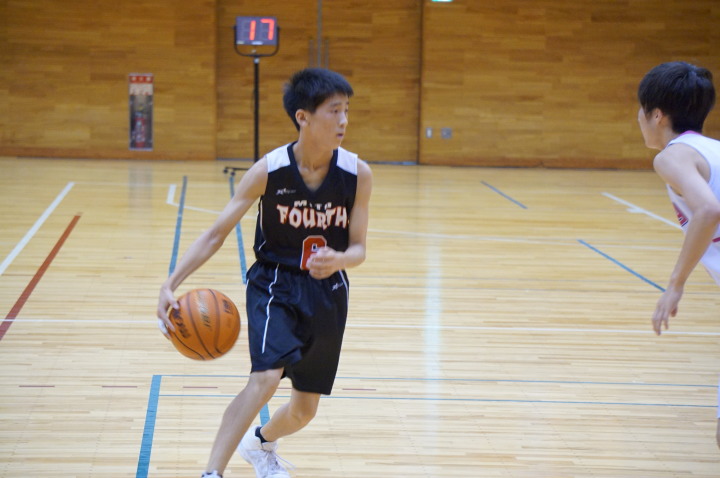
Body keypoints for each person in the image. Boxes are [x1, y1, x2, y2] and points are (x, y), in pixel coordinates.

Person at [156, 68, 373, 477]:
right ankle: (211, 472)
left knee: (304, 410)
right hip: (275, 284)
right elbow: (216, 233)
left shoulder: (357, 174)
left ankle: (260, 444)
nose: (344, 120)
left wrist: (340, 260)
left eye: (346, 110)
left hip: (328, 292)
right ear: (303, 117)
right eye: (334, 111)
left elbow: (359, 248)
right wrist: (171, 283)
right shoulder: (269, 170)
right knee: (266, 378)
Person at [636, 61, 720, 450]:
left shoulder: (673, 156)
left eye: (640, 110)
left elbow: (708, 210)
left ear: (657, 115)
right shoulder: (713, 150)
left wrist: (675, 284)